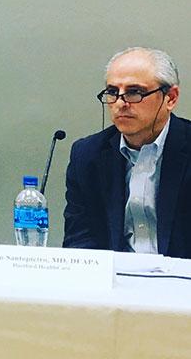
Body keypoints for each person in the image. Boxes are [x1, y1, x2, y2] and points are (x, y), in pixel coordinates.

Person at [64, 47, 191, 258]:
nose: (120, 103)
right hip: (116, 284)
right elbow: (80, 241)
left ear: (170, 98)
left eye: (134, 92)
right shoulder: (87, 155)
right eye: (113, 92)